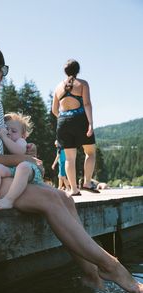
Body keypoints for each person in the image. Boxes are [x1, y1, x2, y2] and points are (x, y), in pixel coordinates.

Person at [0, 40, 143, 293]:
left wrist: (23, 152)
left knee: (64, 198)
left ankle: (91, 277)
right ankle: (113, 267)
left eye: (2, 70)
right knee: (49, 198)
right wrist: (20, 161)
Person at [52, 59, 99, 196]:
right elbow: (87, 104)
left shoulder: (58, 87)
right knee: (90, 153)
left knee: (69, 158)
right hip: (80, 120)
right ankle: (87, 182)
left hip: (63, 121)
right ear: (78, 70)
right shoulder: (83, 84)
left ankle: (73, 189)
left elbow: (54, 110)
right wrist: (90, 123)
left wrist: (63, 119)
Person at [0, 113, 44, 209]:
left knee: (23, 167)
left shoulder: (21, 141)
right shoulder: (5, 142)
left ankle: (9, 200)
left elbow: (18, 152)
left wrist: (4, 137)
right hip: (13, 170)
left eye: (13, 131)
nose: (9, 132)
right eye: (6, 129)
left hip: (29, 170)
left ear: (23, 135)